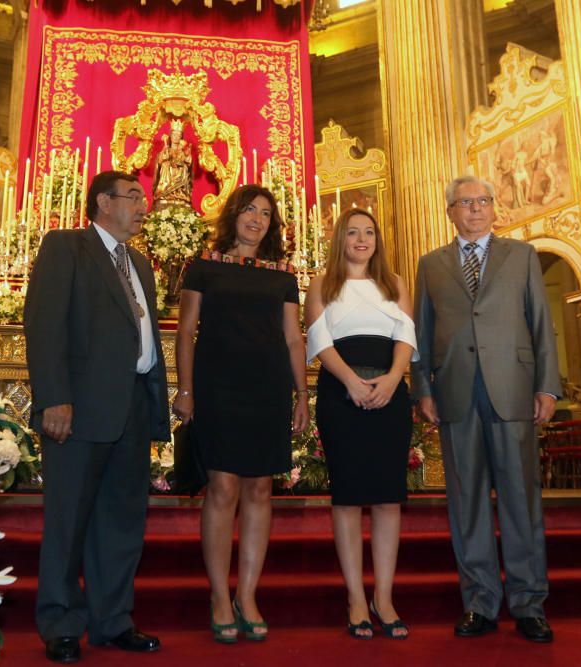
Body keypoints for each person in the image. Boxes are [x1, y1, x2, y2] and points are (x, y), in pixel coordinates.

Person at [24, 170, 171, 664]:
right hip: (79, 407)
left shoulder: (141, 265)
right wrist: (54, 397)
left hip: (131, 405)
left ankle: (113, 620)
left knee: (122, 520)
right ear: (103, 203)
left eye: (143, 197)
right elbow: (44, 324)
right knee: (69, 519)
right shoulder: (67, 247)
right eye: (133, 196)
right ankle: (62, 622)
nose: (142, 205)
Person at [411, 175, 561, 643]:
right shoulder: (431, 264)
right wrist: (422, 390)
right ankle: (479, 603)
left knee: (521, 499)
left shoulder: (522, 256)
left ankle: (529, 603)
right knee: (467, 502)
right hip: (456, 392)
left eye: (483, 201)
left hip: (513, 389)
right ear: (450, 212)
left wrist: (548, 388)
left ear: (494, 208)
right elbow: (421, 331)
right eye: (465, 202)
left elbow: (540, 322)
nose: (475, 209)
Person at [173, 184, 309, 644]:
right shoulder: (204, 266)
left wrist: (303, 394)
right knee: (222, 485)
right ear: (232, 215)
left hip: (267, 388)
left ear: (272, 224)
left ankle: (247, 595)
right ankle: (218, 594)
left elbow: (293, 338)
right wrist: (186, 389)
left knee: (259, 488)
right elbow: (186, 330)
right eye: (249, 209)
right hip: (217, 387)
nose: (256, 218)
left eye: (265, 213)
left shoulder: (283, 274)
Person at [304, 209, 416, 640]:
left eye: (369, 231)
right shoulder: (323, 285)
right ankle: (355, 597)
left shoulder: (395, 284)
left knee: (388, 498)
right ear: (340, 240)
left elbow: (405, 336)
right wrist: (350, 380)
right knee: (348, 498)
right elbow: (319, 340)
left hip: (389, 393)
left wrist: (392, 379)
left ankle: (383, 597)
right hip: (341, 394)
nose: (362, 239)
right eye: (353, 232)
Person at [152, 119, 193, 210]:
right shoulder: (166, 149)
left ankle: (180, 193)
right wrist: (165, 150)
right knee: (166, 164)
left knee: (184, 168)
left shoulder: (184, 152)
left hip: (180, 174)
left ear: (181, 138)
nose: (176, 137)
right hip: (166, 175)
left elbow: (189, 162)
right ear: (170, 136)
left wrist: (185, 158)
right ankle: (164, 192)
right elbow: (160, 160)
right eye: (174, 135)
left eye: (178, 135)